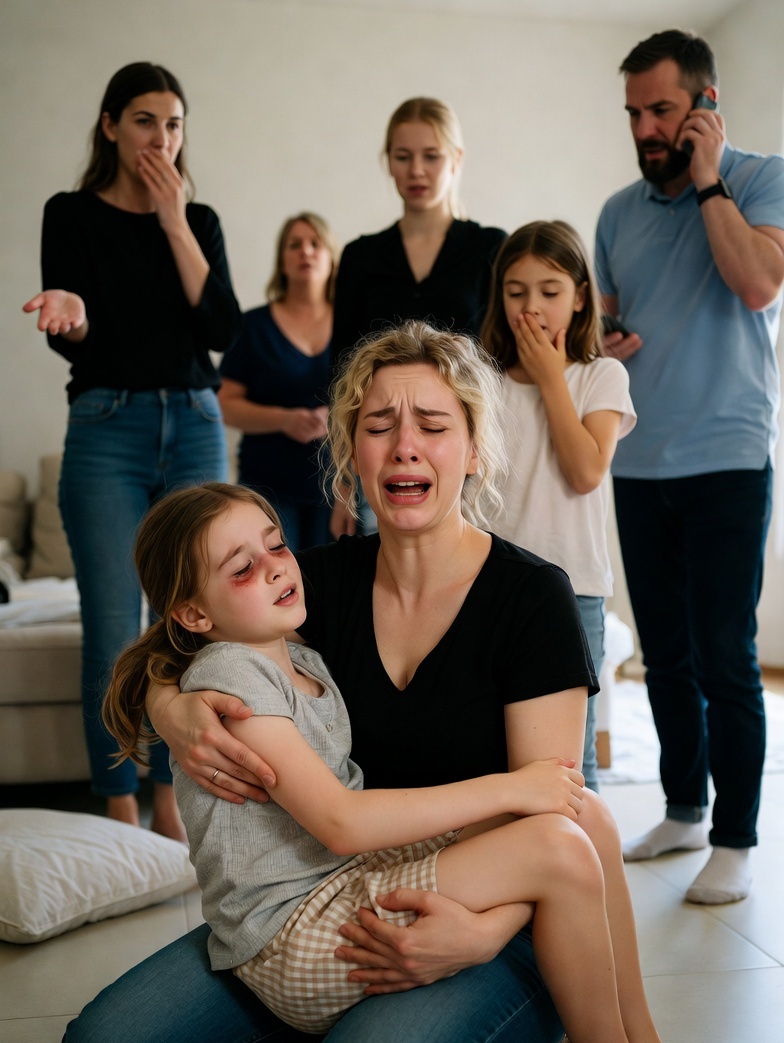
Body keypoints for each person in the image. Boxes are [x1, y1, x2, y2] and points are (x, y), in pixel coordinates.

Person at [58, 323, 760, 1043]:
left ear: (472, 445)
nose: (405, 446)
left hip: (503, 908)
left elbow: (557, 811)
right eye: (379, 422)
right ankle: (342, 1016)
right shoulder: (309, 586)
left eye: (432, 423)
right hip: (333, 896)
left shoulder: (531, 597)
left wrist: (484, 932)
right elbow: (187, 638)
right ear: (351, 445)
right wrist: (176, 710)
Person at [21, 62, 240, 838]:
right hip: (106, 428)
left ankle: (172, 799)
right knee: (114, 627)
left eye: (174, 124)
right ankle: (117, 803)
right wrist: (68, 313)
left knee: (192, 624)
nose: (162, 138)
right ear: (110, 126)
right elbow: (76, 331)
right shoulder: (71, 214)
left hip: (193, 424)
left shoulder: (198, 218)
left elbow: (220, 331)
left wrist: (175, 219)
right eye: (146, 121)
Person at [595, 29, 784, 903]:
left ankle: (738, 838)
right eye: (634, 111)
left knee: (724, 655)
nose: (644, 128)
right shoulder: (616, 214)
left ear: (706, 106)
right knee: (664, 657)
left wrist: (707, 180)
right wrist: (599, 342)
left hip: (726, 461)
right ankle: (682, 807)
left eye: (662, 109)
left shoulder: (760, 178)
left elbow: (757, 284)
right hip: (639, 463)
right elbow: (598, 325)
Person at [481, 220, 636, 792]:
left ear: (578, 296)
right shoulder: (485, 381)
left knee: (572, 757)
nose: (532, 307)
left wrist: (552, 379)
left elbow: (585, 472)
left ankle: (586, 875)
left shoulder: (602, 376)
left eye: (549, 291)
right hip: (493, 580)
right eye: (516, 291)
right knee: (497, 742)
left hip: (576, 586)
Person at [330, 95, 506, 536]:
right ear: (387, 162)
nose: (417, 171)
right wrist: (345, 479)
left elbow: (506, 356)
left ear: (456, 159)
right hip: (385, 447)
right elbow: (341, 369)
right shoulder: (360, 256)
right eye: (403, 157)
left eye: (432, 156)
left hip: (463, 449)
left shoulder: (490, 248)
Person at [218, 213, 339, 551]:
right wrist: (284, 420)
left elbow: (377, 396)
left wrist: (337, 416)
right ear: (281, 261)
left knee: (333, 589)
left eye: (316, 244)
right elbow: (224, 404)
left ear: (332, 258)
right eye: (295, 244)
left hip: (339, 485)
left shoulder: (353, 324)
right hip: (268, 484)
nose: (306, 252)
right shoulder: (252, 326)